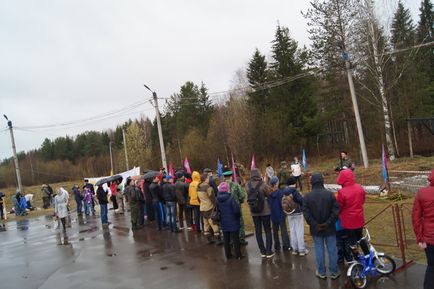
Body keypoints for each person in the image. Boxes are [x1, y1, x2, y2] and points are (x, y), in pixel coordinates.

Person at [303, 172, 340, 279]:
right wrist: (320, 224)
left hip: (320, 228)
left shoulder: (308, 196)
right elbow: (336, 211)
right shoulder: (329, 194)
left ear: (312, 182)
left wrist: (320, 224)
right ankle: (333, 272)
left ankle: (322, 272)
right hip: (326, 228)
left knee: (320, 249)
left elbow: (307, 214)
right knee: (332, 250)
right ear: (322, 182)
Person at [336, 169, 369, 256]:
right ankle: (367, 255)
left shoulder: (342, 192)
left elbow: (339, 207)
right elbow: (362, 201)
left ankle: (357, 258)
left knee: (352, 241)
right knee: (360, 237)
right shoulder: (359, 187)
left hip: (348, 221)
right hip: (359, 218)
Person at [412, 169, 434, 289]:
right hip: (430, 238)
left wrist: (420, 238)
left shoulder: (422, 193)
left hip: (429, 239)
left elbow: (416, 218)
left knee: (431, 267)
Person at [246, 168, 273, 258]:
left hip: (254, 211)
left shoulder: (247, 185)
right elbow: (269, 193)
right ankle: (269, 251)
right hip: (265, 211)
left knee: (258, 231)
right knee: (267, 230)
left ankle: (262, 251)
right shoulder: (263, 184)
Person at [217, 182, 242, 260]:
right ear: (227, 189)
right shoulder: (231, 198)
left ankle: (228, 255)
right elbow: (236, 210)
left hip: (223, 221)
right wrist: (238, 216)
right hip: (233, 221)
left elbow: (218, 210)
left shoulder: (217, 199)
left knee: (226, 239)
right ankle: (238, 255)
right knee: (235, 239)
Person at [223, 170, 248, 245]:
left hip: (225, 209)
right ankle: (241, 240)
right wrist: (239, 202)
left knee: (229, 223)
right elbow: (242, 196)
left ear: (224, 177)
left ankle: (231, 240)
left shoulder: (221, 186)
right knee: (240, 223)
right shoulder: (236, 185)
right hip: (236, 208)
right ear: (231, 177)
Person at [285, 176, 308, 256]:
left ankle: (294, 249)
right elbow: (301, 201)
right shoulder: (295, 191)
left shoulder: (284, 191)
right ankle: (302, 249)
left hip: (289, 213)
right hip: (298, 212)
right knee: (299, 231)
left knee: (292, 230)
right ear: (294, 183)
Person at [267, 176, 291, 252]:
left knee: (275, 231)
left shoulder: (269, 194)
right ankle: (286, 246)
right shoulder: (280, 193)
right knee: (283, 231)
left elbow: (268, 204)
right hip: (281, 213)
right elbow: (283, 204)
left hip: (273, 215)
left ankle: (277, 246)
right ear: (276, 184)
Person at [197, 173, 221, 244]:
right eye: (208, 178)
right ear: (205, 179)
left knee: (206, 224)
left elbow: (198, 198)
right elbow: (213, 198)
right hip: (209, 207)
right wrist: (216, 205)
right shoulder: (208, 187)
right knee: (213, 223)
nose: (209, 179)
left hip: (202, 207)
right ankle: (218, 239)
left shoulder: (198, 187)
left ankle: (208, 239)